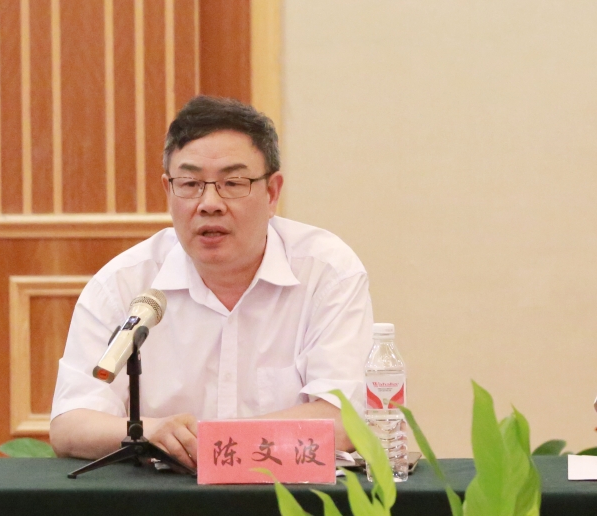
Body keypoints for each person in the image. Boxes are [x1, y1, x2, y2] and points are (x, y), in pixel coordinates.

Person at [50, 96, 374, 468]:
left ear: (272, 193)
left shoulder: (326, 273)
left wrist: (209, 443)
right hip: (164, 495)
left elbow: (344, 419)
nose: (209, 203)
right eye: (189, 183)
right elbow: (70, 424)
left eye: (232, 183)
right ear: (168, 191)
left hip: (287, 493)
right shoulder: (123, 284)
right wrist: (154, 432)